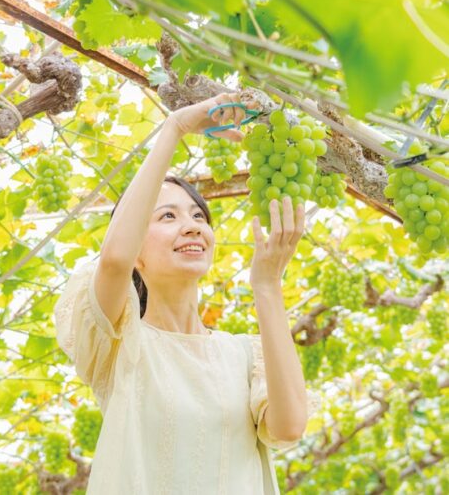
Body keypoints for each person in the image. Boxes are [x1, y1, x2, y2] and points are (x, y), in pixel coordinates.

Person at [54, 92, 319, 494]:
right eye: (167, 216)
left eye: (198, 216)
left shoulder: (243, 354)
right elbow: (113, 260)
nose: (193, 226)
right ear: (137, 254)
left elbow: (290, 426)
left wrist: (267, 286)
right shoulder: (119, 344)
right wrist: (174, 128)